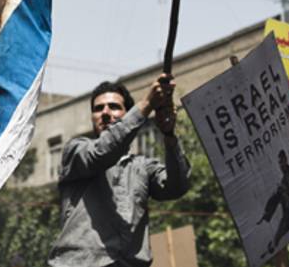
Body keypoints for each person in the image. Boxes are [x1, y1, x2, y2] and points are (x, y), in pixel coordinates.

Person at [47, 74, 189, 267]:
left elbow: (177, 186)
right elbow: (101, 152)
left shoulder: (142, 167)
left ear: (128, 114)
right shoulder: (77, 150)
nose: (105, 113)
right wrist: (146, 105)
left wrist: (169, 134)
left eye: (114, 107)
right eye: (98, 109)